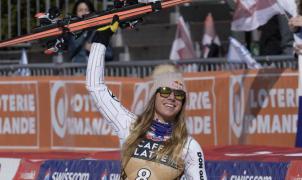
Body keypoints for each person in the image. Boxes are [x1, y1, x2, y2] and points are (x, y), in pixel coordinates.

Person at [86, 15, 207, 179]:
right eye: (165, 91)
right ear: (154, 97)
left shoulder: (189, 147)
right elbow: (95, 86)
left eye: (179, 95)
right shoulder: (129, 125)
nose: (172, 97)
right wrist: (101, 40)